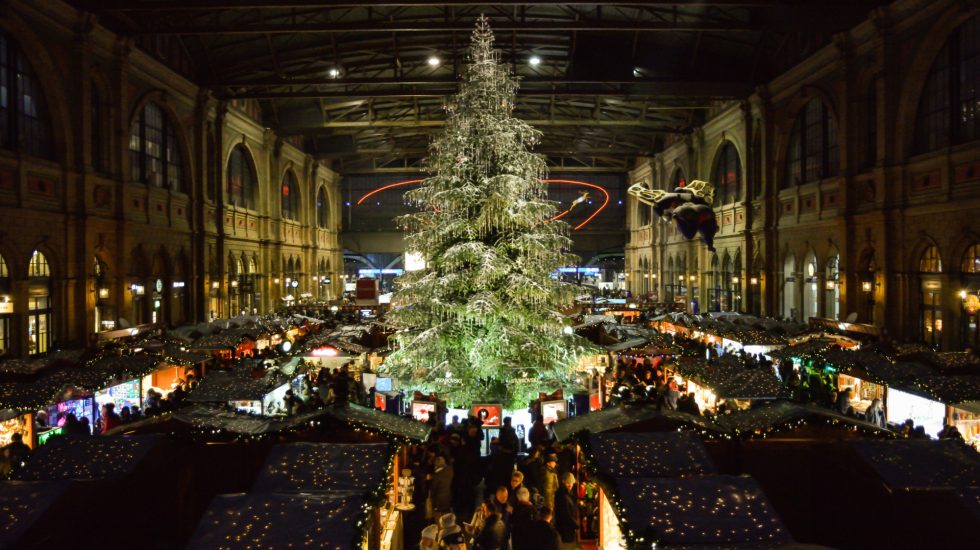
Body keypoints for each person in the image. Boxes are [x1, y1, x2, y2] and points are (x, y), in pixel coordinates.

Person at [554, 473, 579, 549]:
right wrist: (576, 525)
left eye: (571, 483)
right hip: (565, 529)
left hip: (567, 528)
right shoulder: (562, 494)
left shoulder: (567, 493)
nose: (570, 485)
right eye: (568, 483)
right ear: (563, 482)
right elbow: (566, 513)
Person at [430, 456, 454, 520]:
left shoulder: (437, 475)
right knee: (447, 519)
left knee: (439, 519)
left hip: (439, 501)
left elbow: (434, 490)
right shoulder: (450, 470)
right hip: (448, 498)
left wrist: (433, 504)